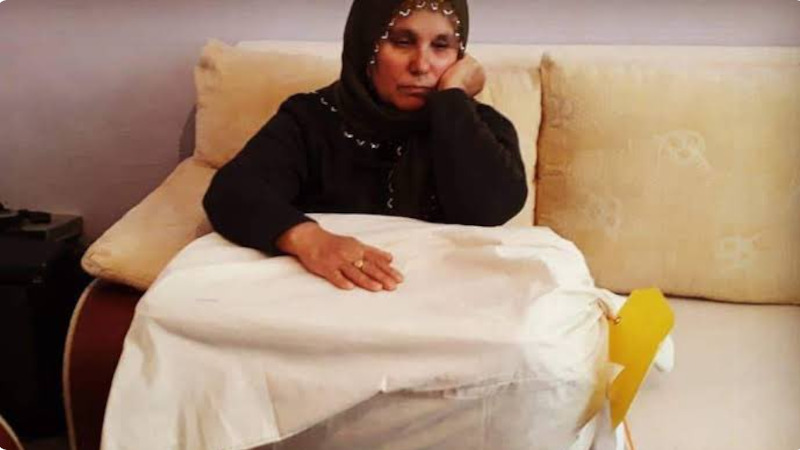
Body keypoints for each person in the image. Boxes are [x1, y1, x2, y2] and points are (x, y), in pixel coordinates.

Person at [203, 0, 527, 293]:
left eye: (441, 46)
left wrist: (453, 99)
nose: (421, 65)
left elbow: (492, 209)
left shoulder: (480, 126)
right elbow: (232, 191)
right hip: (330, 300)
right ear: (365, 45)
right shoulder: (312, 118)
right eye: (402, 42)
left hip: (443, 303)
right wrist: (310, 240)